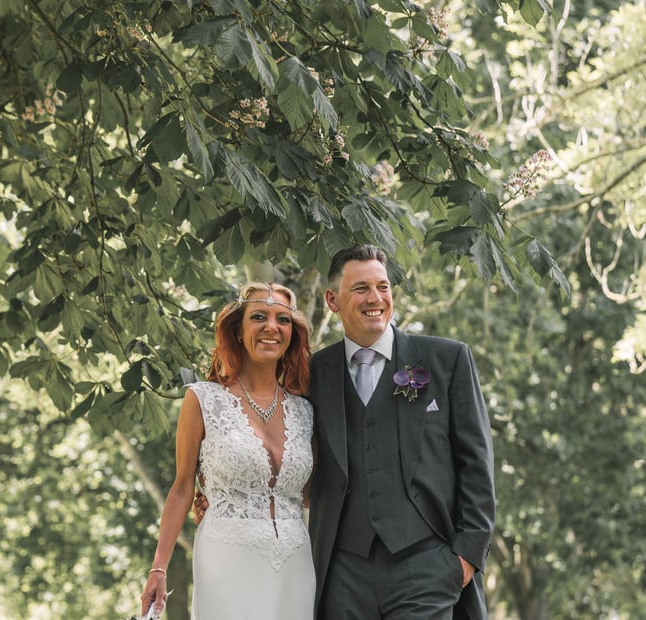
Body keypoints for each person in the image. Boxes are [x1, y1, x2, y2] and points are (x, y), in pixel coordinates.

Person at [308, 244, 496, 619]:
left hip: (427, 564)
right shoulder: (313, 372)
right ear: (332, 300)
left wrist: (467, 555)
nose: (375, 298)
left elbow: (476, 461)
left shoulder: (447, 360)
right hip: (343, 573)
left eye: (383, 286)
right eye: (361, 288)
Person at [140, 282, 316, 619]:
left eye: (283, 319)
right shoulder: (203, 399)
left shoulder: (305, 411)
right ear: (237, 330)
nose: (272, 327)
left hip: (296, 563)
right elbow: (182, 489)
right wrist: (159, 568)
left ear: (292, 333)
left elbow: (314, 496)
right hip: (226, 559)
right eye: (259, 317)